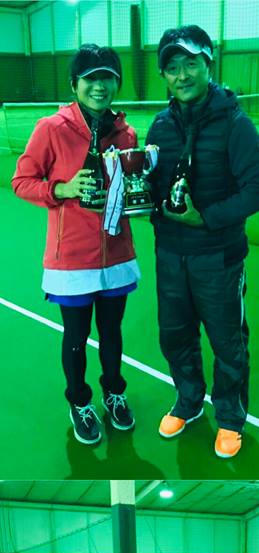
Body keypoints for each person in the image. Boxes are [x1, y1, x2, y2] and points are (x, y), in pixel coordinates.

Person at [147, 25, 259, 460]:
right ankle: (188, 401)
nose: (182, 75)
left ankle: (230, 418)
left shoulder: (236, 124)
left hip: (218, 259)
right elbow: (155, 185)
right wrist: (136, 196)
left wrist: (207, 218)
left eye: (191, 64)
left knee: (227, 343)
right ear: (164, 75)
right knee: (174, 336)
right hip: (169, 255)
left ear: (208, 65)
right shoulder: (160, 126)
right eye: (173, 67)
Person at [12, 44, 140, 446]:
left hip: (116, 254)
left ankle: (114, 393)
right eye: (91, 79)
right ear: (75, 84)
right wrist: (61, 189)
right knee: (76, 335)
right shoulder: (51, 128)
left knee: (112, 332)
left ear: (117, 83)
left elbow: (130, 187)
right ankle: (80, 401)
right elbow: (21, 181)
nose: (100, 86)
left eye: (107, 78)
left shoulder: (126, 133)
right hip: (71, 259)